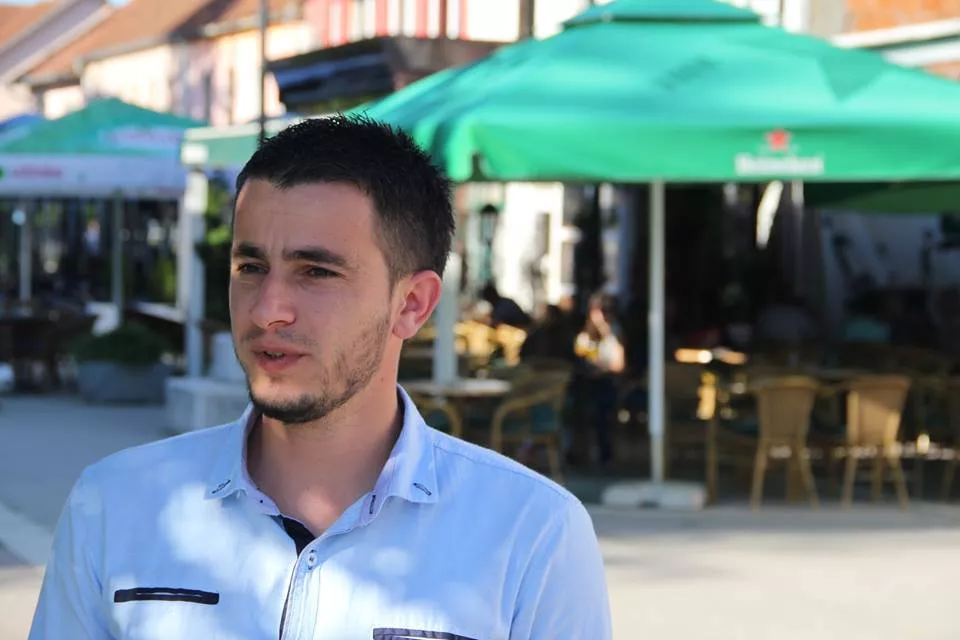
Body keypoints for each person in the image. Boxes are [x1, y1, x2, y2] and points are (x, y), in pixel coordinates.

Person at [29, 115, 611, 639]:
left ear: (412, 304)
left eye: (316, 272)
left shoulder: (531, 534)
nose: (267, 310)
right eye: (250, 267)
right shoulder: (115, 506)